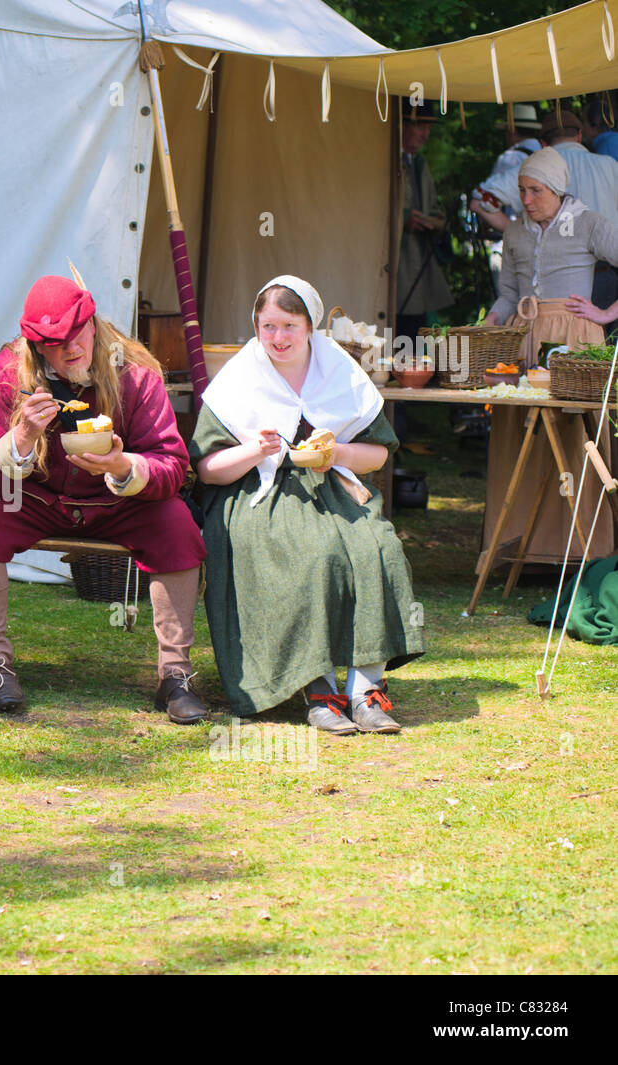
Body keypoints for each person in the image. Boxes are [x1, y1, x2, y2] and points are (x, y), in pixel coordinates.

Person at [0, 276, 208, 722]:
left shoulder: (134, 373)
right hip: (37, 498)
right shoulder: (10, 371)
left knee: (177, 524)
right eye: (55, 343)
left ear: (92, 323)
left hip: (118, 502)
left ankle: (175, 675)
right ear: (35, 345)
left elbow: (171, 462)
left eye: (78, 333)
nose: (71, 349)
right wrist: (22, 436)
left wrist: (123, 467)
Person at [190, 276, 424, 733]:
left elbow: (378, 454)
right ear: (256, 326)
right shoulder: (239, 379)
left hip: (333, 486)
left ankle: (365, 690)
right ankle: (318, 689)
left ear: (310, 326)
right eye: (268, 326)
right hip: (257, 494)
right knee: (312, 556)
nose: (278, 338)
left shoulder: (340, 374)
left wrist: (337, 453)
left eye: (289, 326)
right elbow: (208, 469)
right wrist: (254, 450)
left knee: (378, 548)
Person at [483, 146, 618, 358]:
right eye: (522, 189)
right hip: (526, 336)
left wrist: (607, 314)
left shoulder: (588, 224)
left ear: (556, 189)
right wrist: (493, 317)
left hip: (575, 336)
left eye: (535, 190)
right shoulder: (514, 232)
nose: (526, 200)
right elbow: (509, 295)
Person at [538, 108, 618, 309]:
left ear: (543, 143)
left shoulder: (536, 171)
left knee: (562, 329)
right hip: (607, 271)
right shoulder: (609, 165)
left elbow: (482, 201)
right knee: (605, 329)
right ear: (580, 135)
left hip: (559, 276)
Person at [396, 100, 453, 343]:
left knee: (416, 328)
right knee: (397, 322)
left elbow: (434, 207)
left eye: (429, 128)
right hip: (396, 261)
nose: (426, 135)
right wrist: (404, 219)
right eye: (421, 127)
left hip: (419, 259)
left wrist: (436, 222)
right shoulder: (388, 160)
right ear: (404, 125)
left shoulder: (419, 163)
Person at [470, 103, 542, 233]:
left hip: (520, 228)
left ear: (512, 130)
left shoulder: (509, 158)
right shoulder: (549, 155)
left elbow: (484, 201)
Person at [582, 93, 618, 163]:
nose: (582, 129)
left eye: (583, 122)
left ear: (596, 124)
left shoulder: (607, 147)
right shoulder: (612, 141)